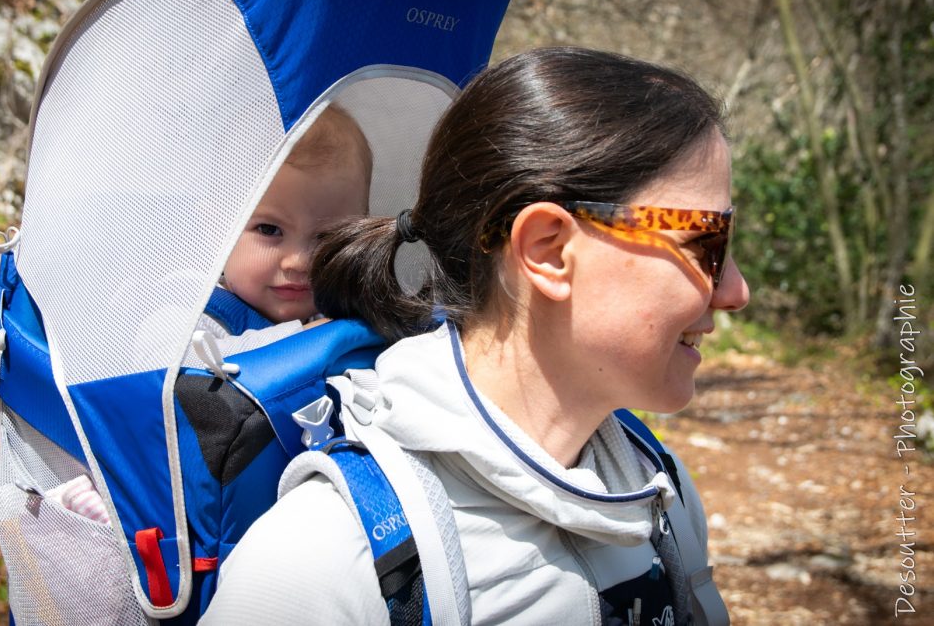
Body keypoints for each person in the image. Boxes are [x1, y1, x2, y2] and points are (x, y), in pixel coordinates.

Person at [201, 47, 749, 625]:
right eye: (705, 242)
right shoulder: (322, 562)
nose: (737, 290)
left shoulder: (659, 489)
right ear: (549, 250)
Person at [194, 103, 373, 354]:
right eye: (269, 230)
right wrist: (304, 338)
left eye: (326, 237)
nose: (299, 262)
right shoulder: (193, 310)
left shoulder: (340, 312)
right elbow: (164, 366)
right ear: (217, 228)